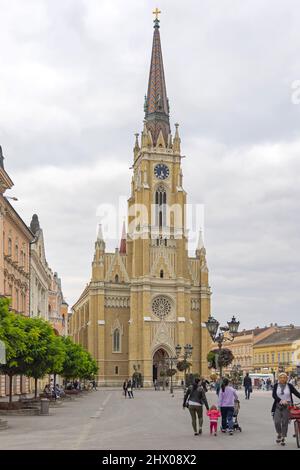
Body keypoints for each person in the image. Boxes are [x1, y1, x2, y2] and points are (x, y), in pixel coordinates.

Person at [272, 372, 300, 446]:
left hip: (288, 405)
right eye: (281, 377)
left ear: (287, 379)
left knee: (285, 422)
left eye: (284, 377)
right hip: (278, 405)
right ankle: (279, 433)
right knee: (277, 421)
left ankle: (283, 437)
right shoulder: (276, 385)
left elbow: (296, 393)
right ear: (278, 378)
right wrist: (281, 400)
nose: (283, 379)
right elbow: (274, 395)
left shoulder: (289, 386)